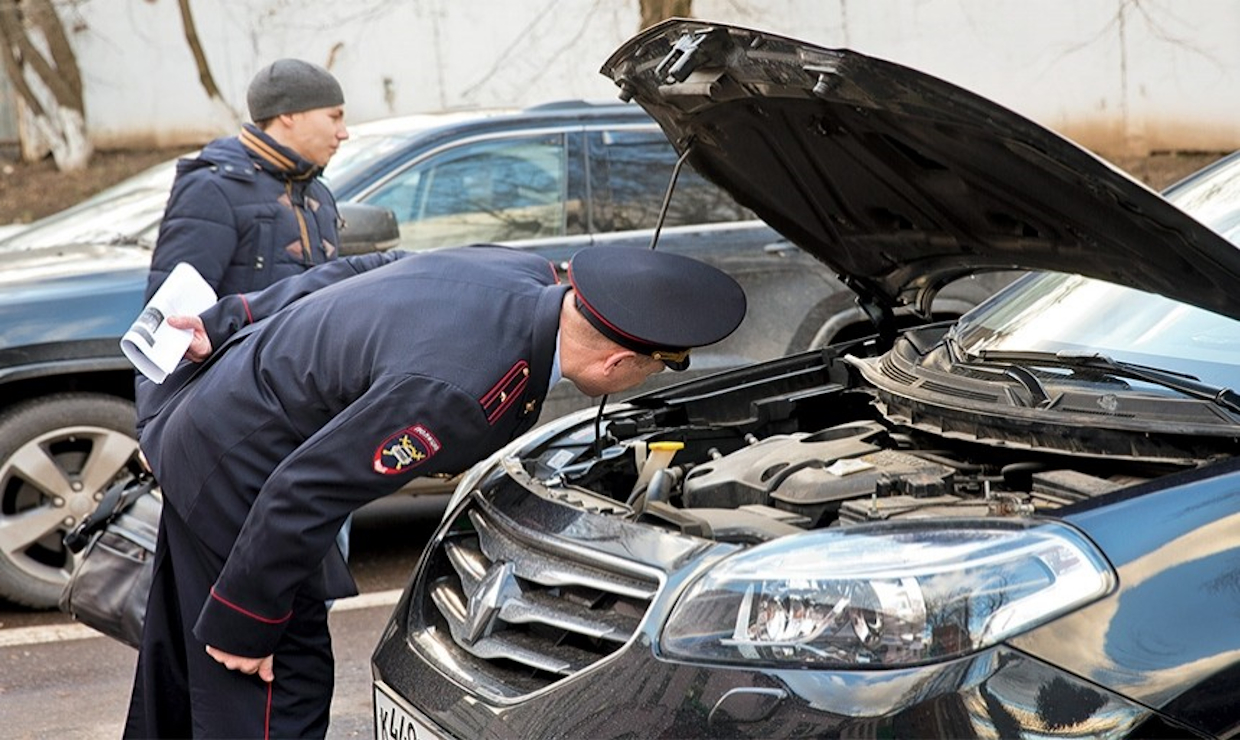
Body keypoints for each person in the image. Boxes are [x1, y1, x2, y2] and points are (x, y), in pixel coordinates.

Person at [122, 244, 747, 738]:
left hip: (218, 416)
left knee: (179, 663)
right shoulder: (465, 391)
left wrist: (233, 318)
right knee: (274, 690)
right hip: (238, 470)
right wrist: (245, 624)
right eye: (657, 366)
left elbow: (361, 270)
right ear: (617, 365)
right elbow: (305, 490)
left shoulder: (517, 270)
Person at [143, 57, 348, 303]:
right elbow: (173, 318)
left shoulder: (317, 193)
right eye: (334, 117)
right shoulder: (213, 188)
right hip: (248, 344)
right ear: (289, 115)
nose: (343, 132)